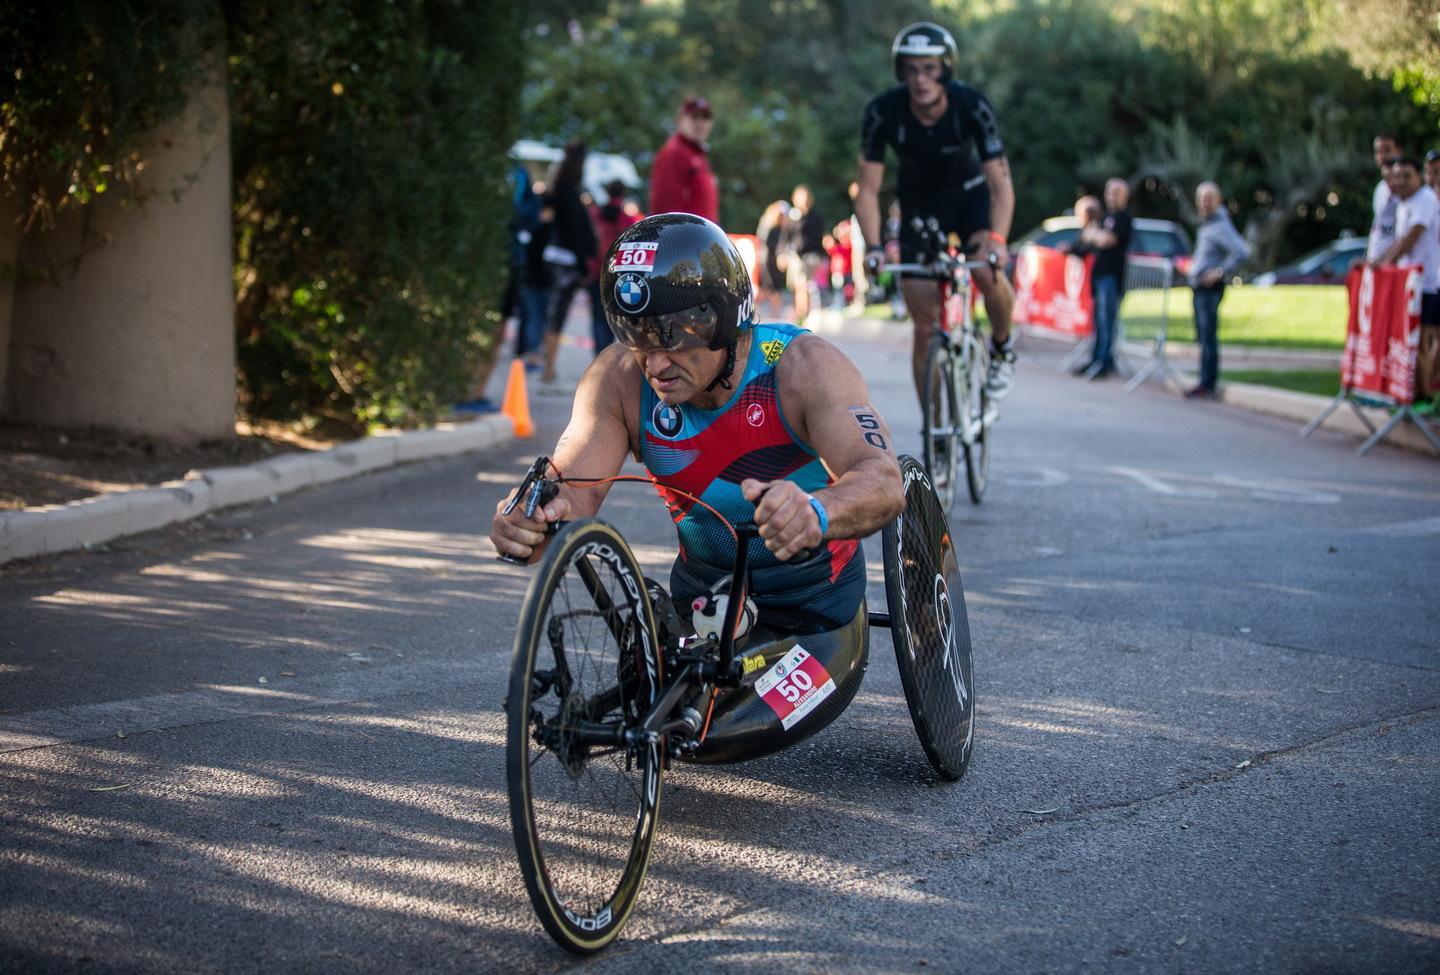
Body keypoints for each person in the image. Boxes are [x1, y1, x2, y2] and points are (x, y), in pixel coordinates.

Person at [491, 213, 904, 635]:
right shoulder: (618, 379)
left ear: (722, 322)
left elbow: (883, 480)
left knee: (750, 705)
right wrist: (530, 523)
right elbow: (574, 489)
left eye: (671, 337)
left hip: (813, 603)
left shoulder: (804, 367)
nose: (654, 364)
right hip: (702, 600)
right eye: (635, 335)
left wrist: (817, 511)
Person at [856, 22, 1018, 408]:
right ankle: (937, 432)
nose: (920, 79)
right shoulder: (883, 112)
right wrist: (875, 247)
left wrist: (997, 240)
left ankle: (1001, 346)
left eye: (929, 68)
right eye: (911, 69)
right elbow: (866, 190)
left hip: (969, 199)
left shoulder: (972, 105)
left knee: (984, 269)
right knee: (925, 329)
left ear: (945, 69)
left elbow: (1001, 184)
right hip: (918, 208)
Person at [1184, 182, 1252, 400]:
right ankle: (1204, 381)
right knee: (1203, 337)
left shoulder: (1220, 224)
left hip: (1209, 289)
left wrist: (1219, 272)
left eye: (1209, 198)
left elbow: (1242, 251)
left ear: (1218, 200)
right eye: (1201, 197)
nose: (1204, 202)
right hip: (1199, 287)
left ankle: (1208, 384)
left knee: (1208, 337)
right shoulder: (1207, 224)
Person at [539, 140, 599, 384]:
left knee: (554, 313)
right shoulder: (571, 192)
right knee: (558, 315)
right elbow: (574, 231)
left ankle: (548, 367)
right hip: (568, 260)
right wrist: (584, 263)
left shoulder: (560, 187)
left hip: (556, 257)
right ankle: (548, 369)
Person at [1072, 178, 1132, 380]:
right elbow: (1087, 240)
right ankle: (1096, 358)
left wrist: (1094, 235)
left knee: (1107, 321)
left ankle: (1104, 363)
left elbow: (1107, 240)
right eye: (1110, 192)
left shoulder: (1123, 218)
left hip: (1112, 278)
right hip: (1099, 277)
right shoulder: (1107, 218)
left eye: (1117, 192)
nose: (1112, 196)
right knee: (1098, 321)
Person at [587, 179, 644, 356]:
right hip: (619, 274)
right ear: (623, 193)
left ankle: (599, 355)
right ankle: (612, 356)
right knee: (617, 316)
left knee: (597, 315)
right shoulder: (628, 217)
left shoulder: (596, 214)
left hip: (597, 271)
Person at [648, 97, 718, 222]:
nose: (700, 123)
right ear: (680, 119)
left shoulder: (698, 155)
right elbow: (665, 210)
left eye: (705, 118)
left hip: (703, 235)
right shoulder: (673, 153)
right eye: (694, 117)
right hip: (686, 237)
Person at [780, 185, 827, 325]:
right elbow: (785, 237)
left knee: (803, 283)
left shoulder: (815, 217)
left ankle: (803, 312)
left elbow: (820, 237)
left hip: (811, 256)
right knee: (797, 284)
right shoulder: (792, 216)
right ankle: (801, 312)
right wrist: (781, 254)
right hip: (795, 256)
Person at [1367, 132, 1403, 264]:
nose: (1382, 156)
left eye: (1387, 150)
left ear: (1398, 151)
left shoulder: (1407, 190)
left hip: (1395, 265)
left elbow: (1407, 236)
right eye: (1378, 151)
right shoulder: (1380, 188)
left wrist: (1385, 260)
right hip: (1376, 265)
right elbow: (1377, 228)